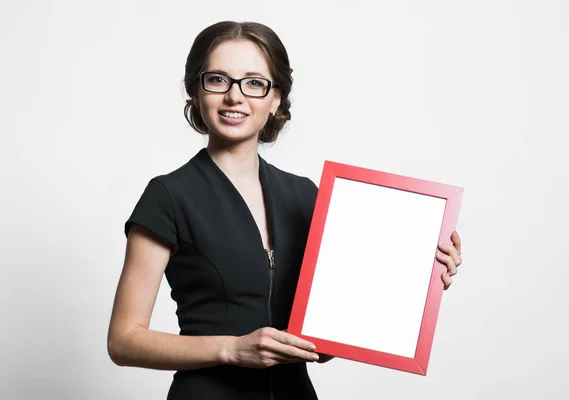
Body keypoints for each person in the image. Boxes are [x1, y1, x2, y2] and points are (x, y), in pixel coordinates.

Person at [107, 21, 463, 400]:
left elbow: (322, 345)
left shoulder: (305, 195)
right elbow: (124, 341)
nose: (235, 96)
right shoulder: (168, 195)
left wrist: (418, 277)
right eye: (218, 80)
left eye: (254, 82)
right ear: (197, 90)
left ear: (276, 98)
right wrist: (232, 349)